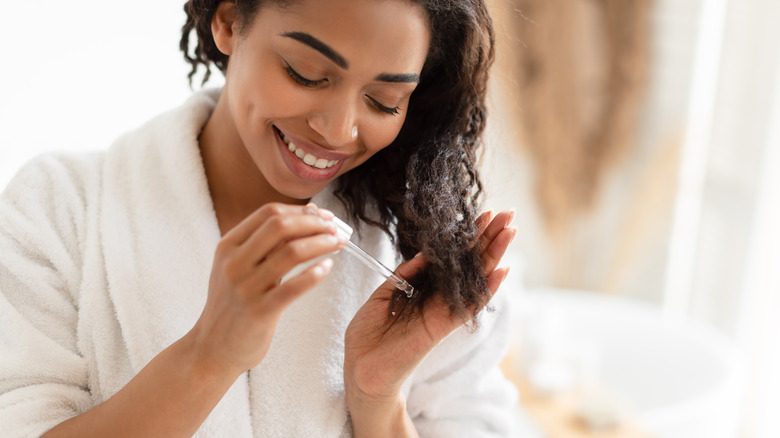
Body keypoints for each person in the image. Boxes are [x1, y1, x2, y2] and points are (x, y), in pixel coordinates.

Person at [0, 0, 519, 436]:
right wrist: (208, 356)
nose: (338, 131)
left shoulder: (421, 248)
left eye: (383, 101)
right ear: (227, 20)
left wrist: (378, 398)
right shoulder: (60, 207)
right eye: (306, 73)